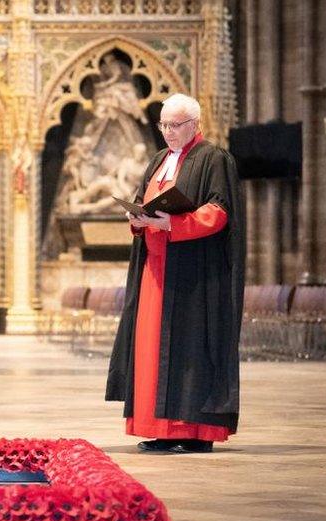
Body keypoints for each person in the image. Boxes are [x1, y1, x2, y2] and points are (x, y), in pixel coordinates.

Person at [106, 93, 246, 454]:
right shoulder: (158, 160)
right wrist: (137, 220)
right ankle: (161, 428)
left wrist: (175, 222)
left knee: (189, 351)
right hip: (155, 271)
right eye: (164, 125)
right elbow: (145, 202)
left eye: (176, 125)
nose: (168, 131)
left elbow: (219, 212)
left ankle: (194, 432)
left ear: (195, 124)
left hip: (193, 275)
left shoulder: (214, 159)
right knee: (152, 350)